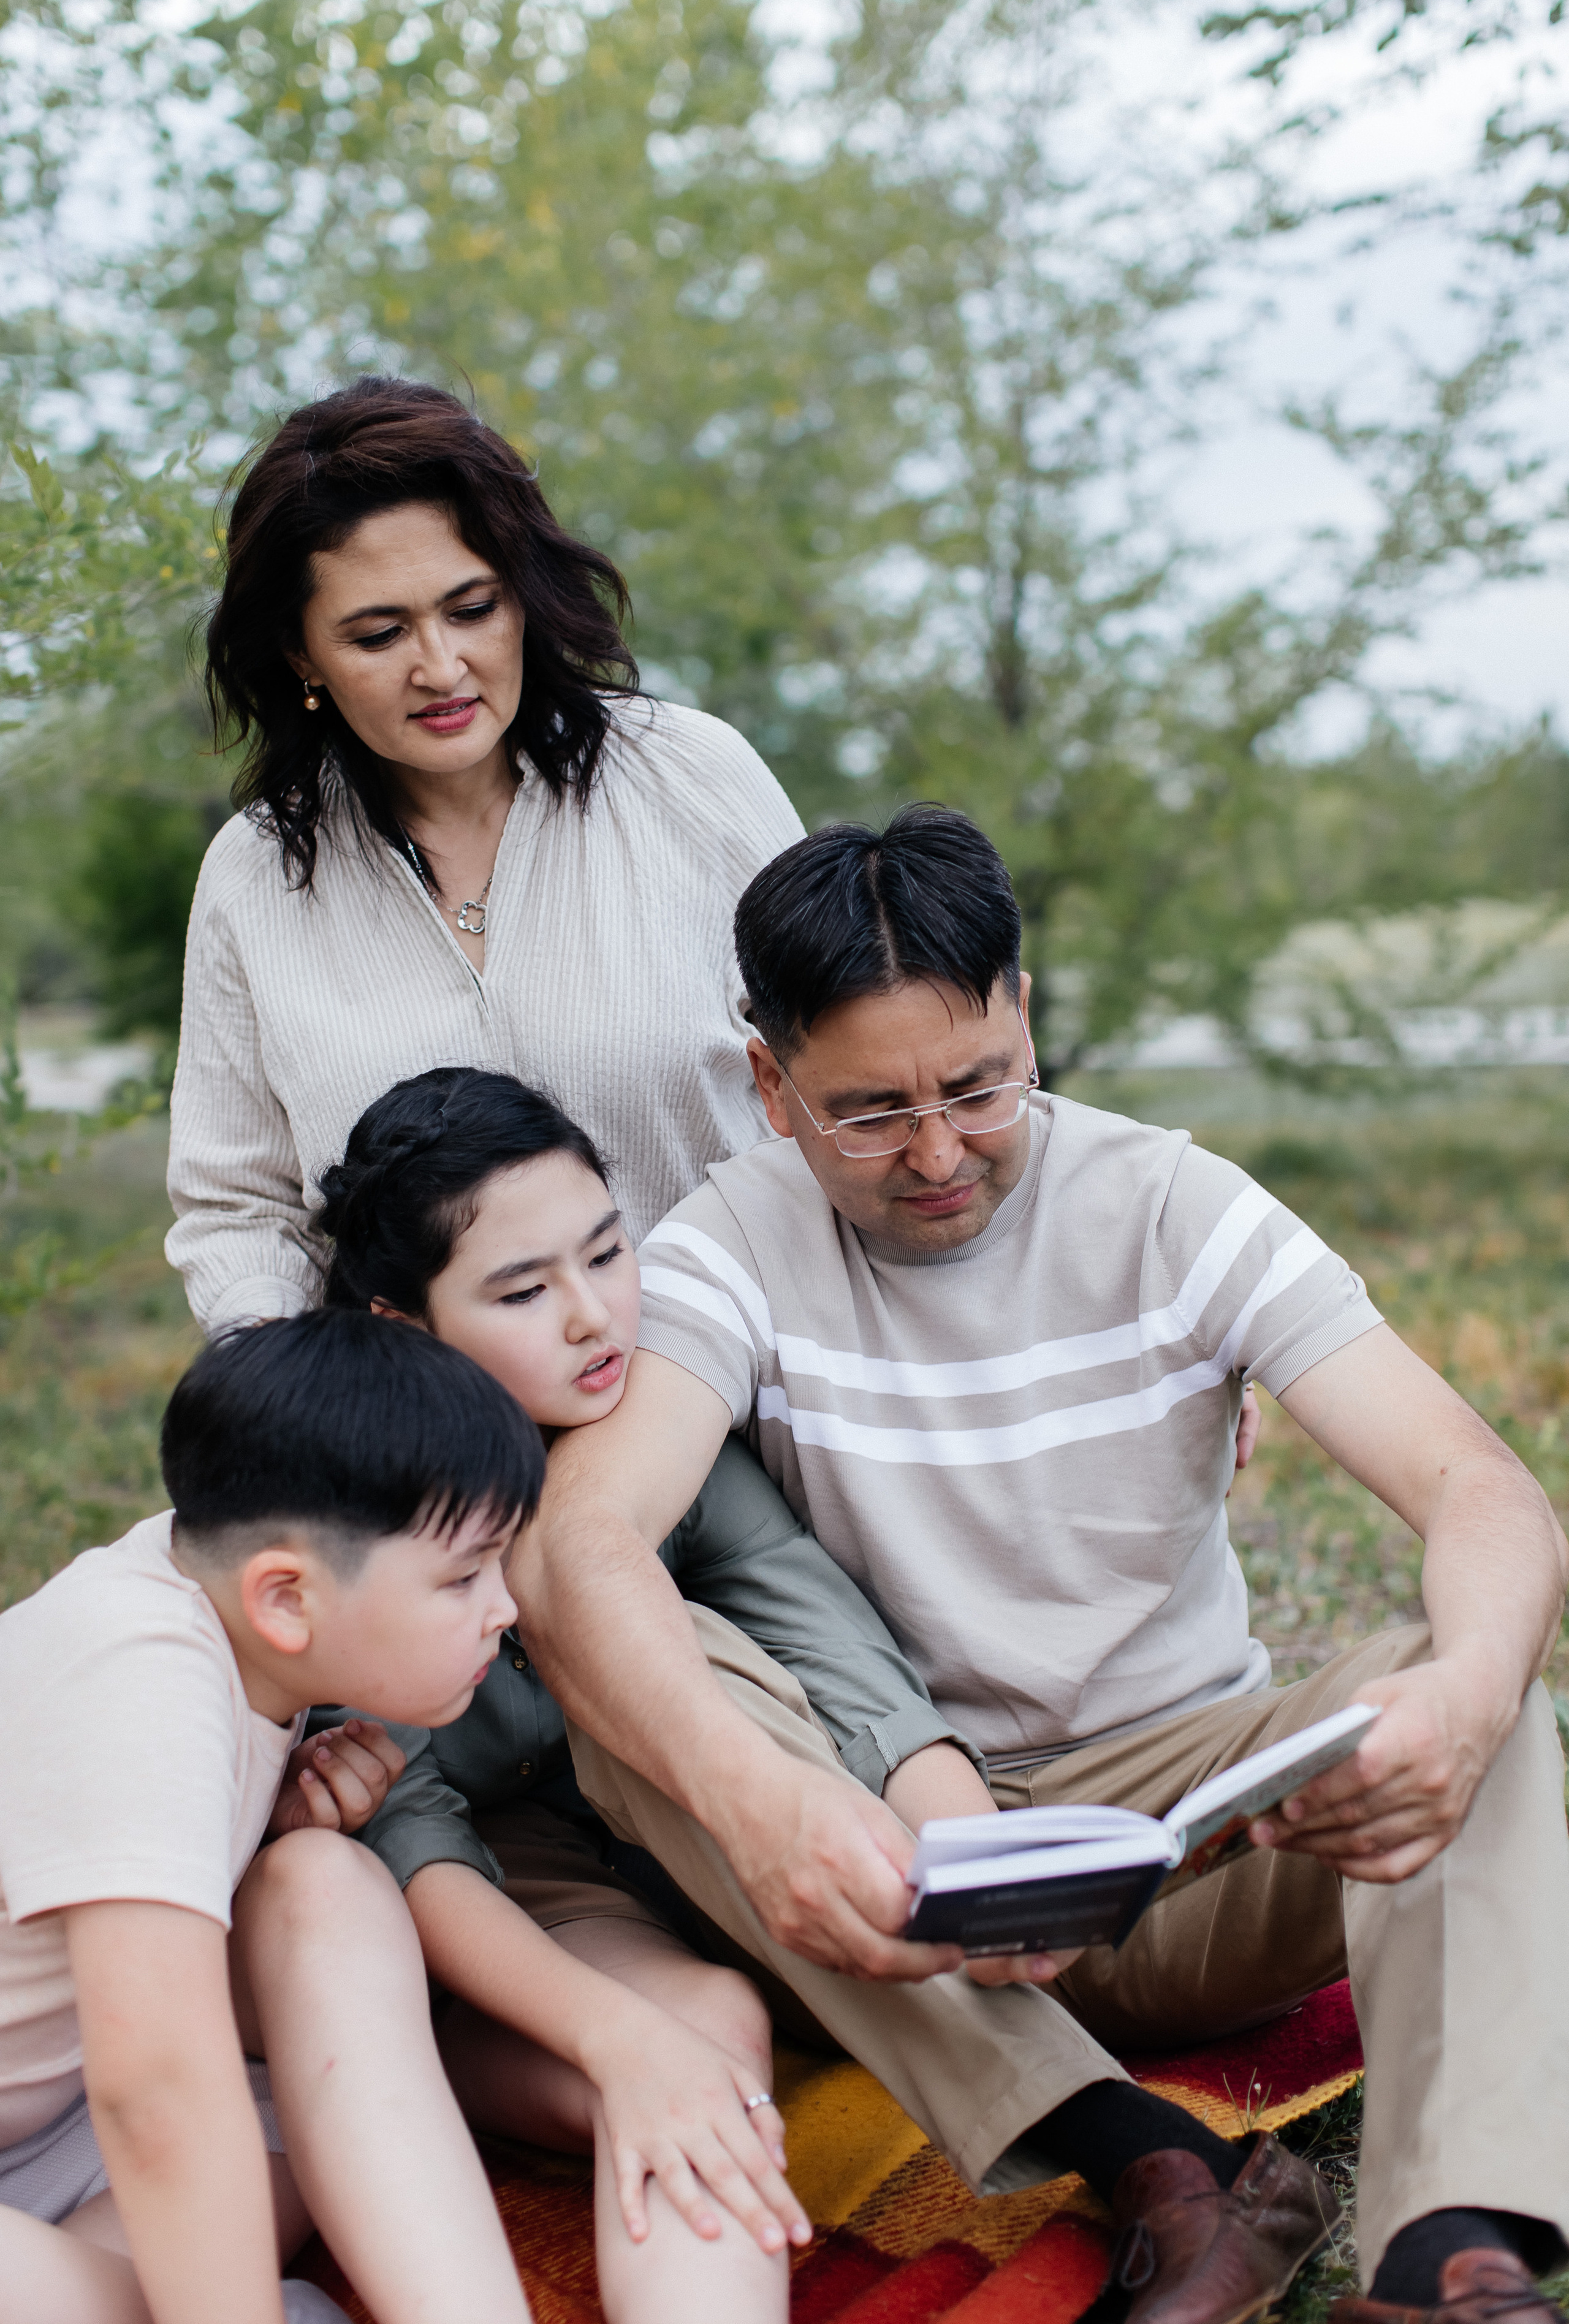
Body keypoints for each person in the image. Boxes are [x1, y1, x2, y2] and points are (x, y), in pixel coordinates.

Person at [507, 805, 1569, 2324]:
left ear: (1024, 1011)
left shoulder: (1170, 1203)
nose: (937, 1152)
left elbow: (1480, 1489)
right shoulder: (728, 1241)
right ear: (768, 1086)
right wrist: (762, 1809)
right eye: (867, 1112)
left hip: (1195, 1845)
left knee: (1476, 1690)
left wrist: (1459, 1694)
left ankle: (1437, 2260)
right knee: (647, 1685)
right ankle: (1144, 2163)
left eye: (978, 1086)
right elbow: (579, 1550)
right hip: (896, 1867)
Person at [306, 1064, 1015, 2321]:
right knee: (681, 2047)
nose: (593, 1317)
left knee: (711, 2033)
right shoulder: (355, 1508)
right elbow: (418, 1847)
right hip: (459, 1924)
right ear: (405, 1327)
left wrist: (969, 1846)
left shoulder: (648, 1418)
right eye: (524, 1291)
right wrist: (610, 2036)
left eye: (605, 1254)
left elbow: (808, 1615)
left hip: (636, 1863)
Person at [167, 374, 802, 1335]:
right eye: (378, 633)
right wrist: (284, 1384)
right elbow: (237, 1209)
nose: (441, 667)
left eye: (471, 609)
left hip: (718, 1379)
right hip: (419, 1437)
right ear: (302, 656)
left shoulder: (692, 777)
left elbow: (836, 1077)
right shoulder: (254, 874)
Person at [0, 1308, 544, 2324]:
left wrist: (267, 1829)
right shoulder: (137, 1673)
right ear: (284, 1599)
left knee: (324, 1887)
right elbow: (155, 2083)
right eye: (465, 1576)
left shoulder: (240, 1636)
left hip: (58, 2108)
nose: (503, 1606)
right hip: (97, 2096)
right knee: (186, 2231)